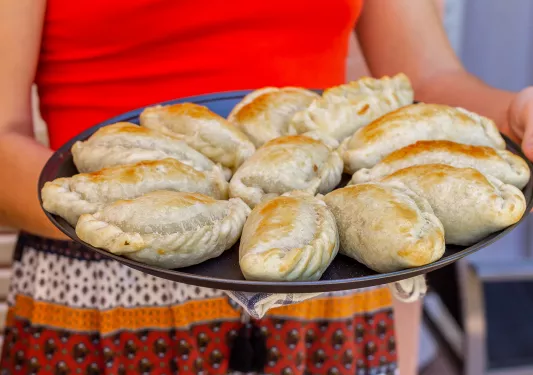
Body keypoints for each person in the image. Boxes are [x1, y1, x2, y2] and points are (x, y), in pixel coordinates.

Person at [1, 1, 532, 374]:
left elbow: (429, 80)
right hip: (102, 295)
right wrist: (121, 219)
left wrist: (514, 114)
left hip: (324, 280)